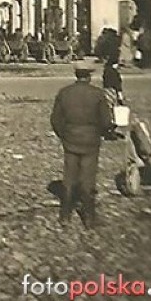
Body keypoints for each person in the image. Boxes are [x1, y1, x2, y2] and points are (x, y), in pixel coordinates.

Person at [50, 60, 113, 229]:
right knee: (88, 178)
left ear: (76, 75)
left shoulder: (65, 93)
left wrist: (64, 135)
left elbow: (55, 120)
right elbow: (106, 121)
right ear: (89, 76)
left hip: (70, 140)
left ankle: (64, 216)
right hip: (91, 141)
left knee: (69, 177)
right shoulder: (97, 94)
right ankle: (89, 218)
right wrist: (101, 132)